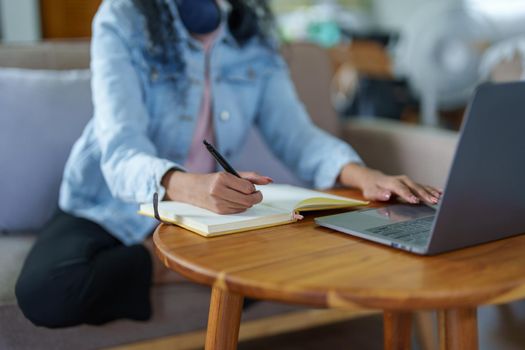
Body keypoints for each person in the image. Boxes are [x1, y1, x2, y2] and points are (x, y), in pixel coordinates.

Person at [15, 0, 441, 328]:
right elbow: (120, 149)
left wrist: (367, 176)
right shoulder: (122, 17)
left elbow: (296, 135)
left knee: (315, 258)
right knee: (47, 292)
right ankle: (166, 260)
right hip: (110, 201)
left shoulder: (251, 36)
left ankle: (191, 263)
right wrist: (187, 186)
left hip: (206, 211)